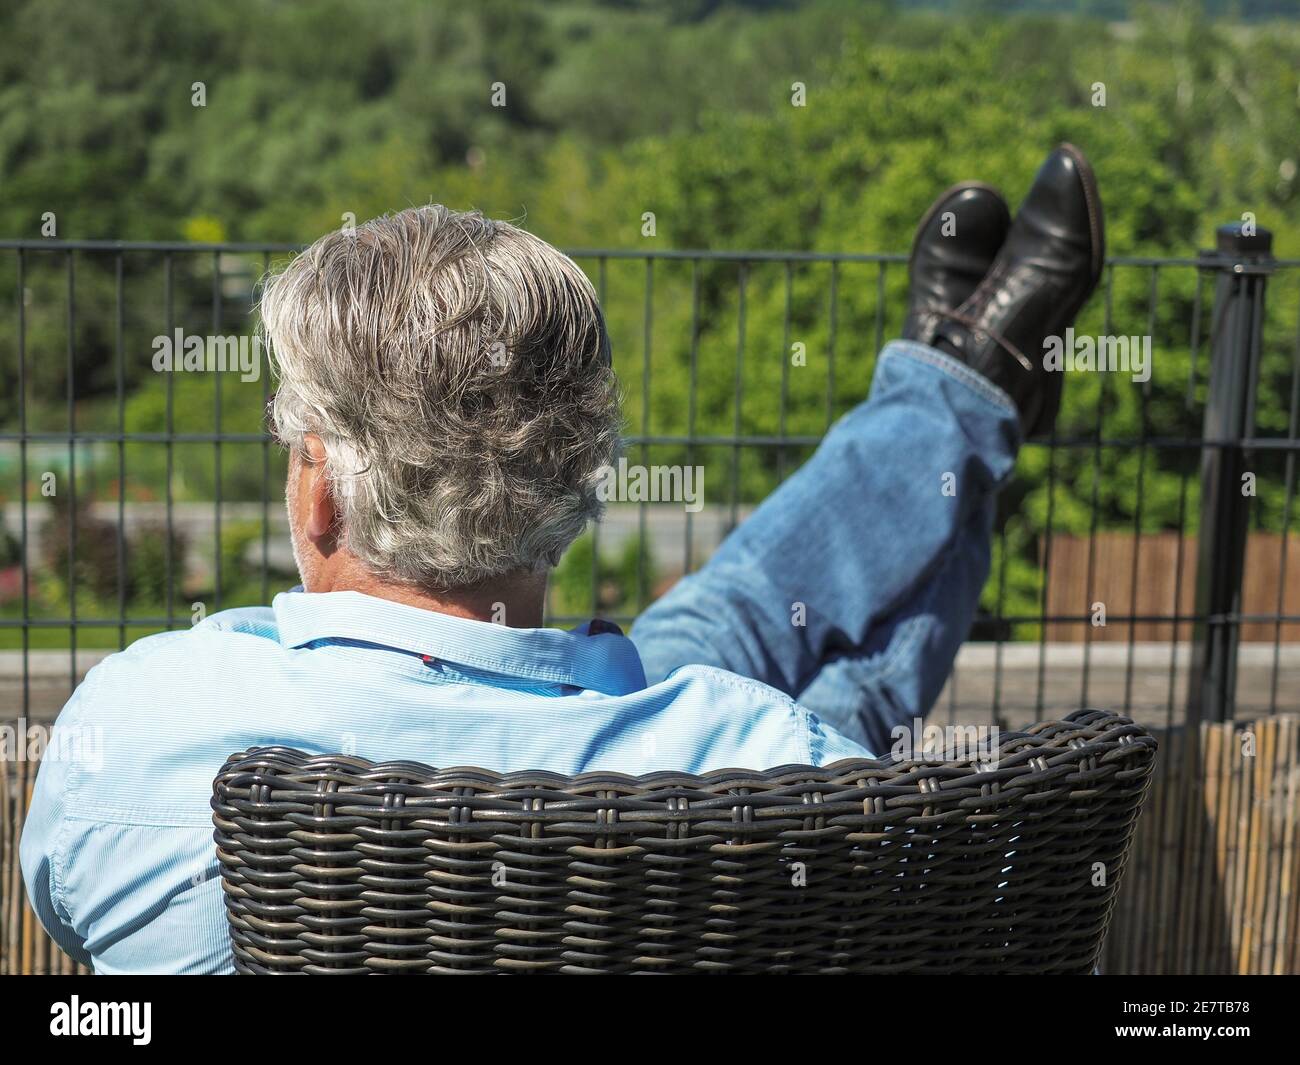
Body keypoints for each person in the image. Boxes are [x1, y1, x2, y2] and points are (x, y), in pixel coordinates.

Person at [21, 144, 1103, 973]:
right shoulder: (773, 757)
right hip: (665, 768)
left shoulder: (142, 728)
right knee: (783, 645)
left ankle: (970, 387)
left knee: (753, 628)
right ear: (581, 483)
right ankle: (969, 388)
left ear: (317, 490)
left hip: (608, 740)